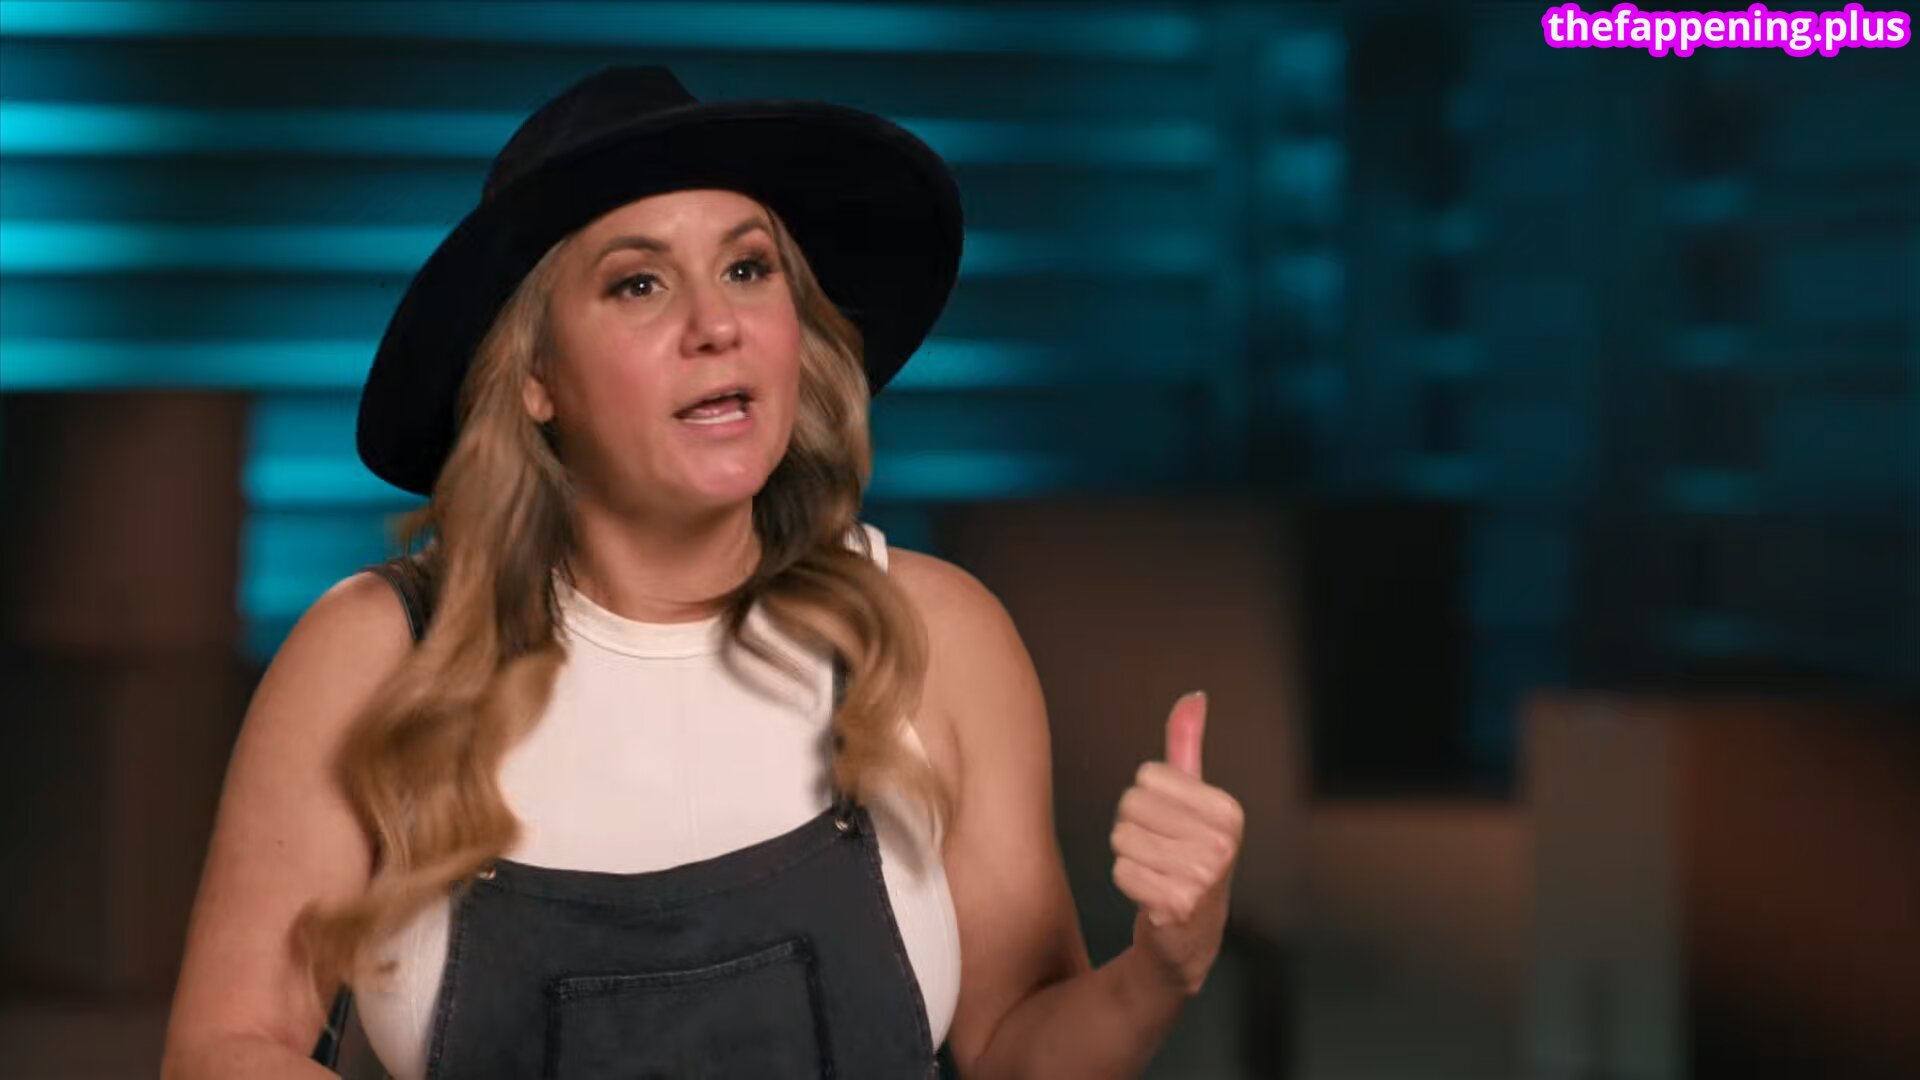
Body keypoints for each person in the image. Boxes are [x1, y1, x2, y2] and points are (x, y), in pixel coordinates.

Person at [161, 66, 1244, 1079]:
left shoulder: (934, 636)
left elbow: (1014, 1047)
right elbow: (225, 1047)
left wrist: (1162, 967)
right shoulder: (375, 655)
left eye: (747, 268)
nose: (715, 325)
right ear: (535, 377)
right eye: (638, 283)